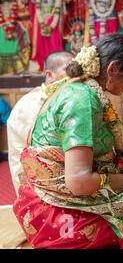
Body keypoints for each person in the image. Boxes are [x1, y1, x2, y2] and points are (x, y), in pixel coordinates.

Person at [13, 34, 123, 249]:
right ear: (112, 69)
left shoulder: (81, 88)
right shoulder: (82, 100)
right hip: (58, 206)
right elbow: (79, 182)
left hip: (56, 191)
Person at [7, 51, 74, 195]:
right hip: (37, 180)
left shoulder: (71, 97)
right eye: (69, 69)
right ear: (49, 75)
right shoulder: (29, 104)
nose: (76, 74)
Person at [29, 0, 64, 71]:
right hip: (40, 18)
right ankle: (41, 64)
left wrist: (53, 22)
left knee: (54, 41)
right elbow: (34, 3)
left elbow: (58, 6)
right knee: (40, 42)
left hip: (53, 18)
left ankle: (56, 64)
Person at [0, 0, 31, 75]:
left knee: (16, 46)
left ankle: (16, 69)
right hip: (2, 28)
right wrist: (4, 23)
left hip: (14, 28)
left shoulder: (14, 3)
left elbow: (24, 10)